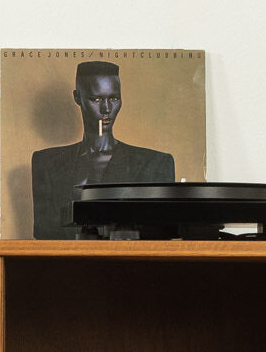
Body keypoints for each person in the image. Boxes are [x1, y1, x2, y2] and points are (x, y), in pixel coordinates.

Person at [30, 61, 175, 238]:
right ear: (77, 97)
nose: (106, 109)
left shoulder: (155, 164)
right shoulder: (47, 164)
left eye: (114, 98)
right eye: (96, 99)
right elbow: (45, 233)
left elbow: (161, 235)